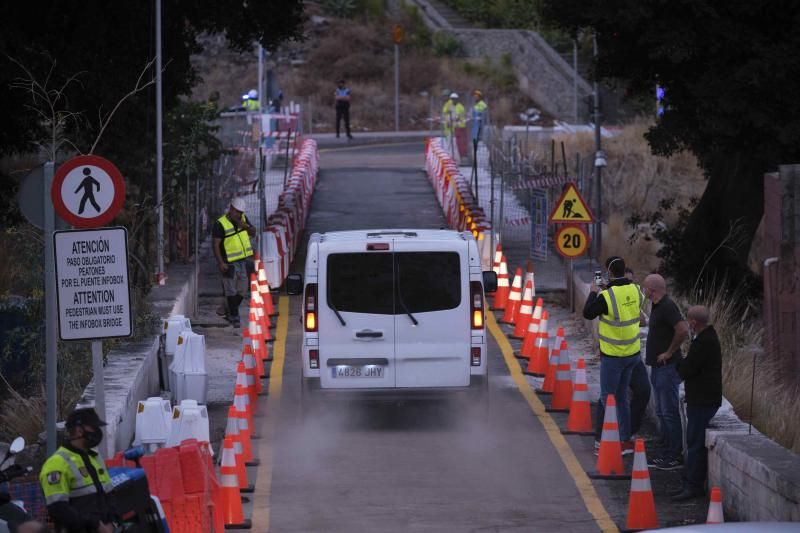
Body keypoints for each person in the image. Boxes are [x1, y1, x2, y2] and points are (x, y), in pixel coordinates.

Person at [583, 256, 643, 455]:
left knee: (606, 398)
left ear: (609, 273)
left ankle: (601, 441)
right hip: (632, 354)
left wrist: (594, 292)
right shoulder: (636, 290)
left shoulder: (606, 297)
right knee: (622, 397)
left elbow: (588, 313)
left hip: (613, 356)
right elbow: (627, 303)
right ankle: (625, 441)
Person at [593, 267, 651, 452]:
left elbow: (589, 311)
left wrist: (594, 293)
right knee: (617, 398)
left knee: (610, 397)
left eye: (631, 281)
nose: (628, 284)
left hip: (621, 356)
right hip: (628, 354)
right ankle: (614, 438)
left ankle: (613, 439)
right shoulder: (620, 294)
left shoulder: (614, 295)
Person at [671, 305, 722, 501]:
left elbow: (687, 370)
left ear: (694, 322)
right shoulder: (705, 338)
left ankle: (693, 486)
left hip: (702, 400)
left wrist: (678, 362)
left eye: (689, 319)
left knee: (694, 444)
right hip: (700, 398)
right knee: (693, 442)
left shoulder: (704, 342)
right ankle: (689, 482)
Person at [39, 408, 116, 533]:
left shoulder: (94, 457)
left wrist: (113, 522)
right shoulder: (57, 463)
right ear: (80, 430)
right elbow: (58, 508)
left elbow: (108, 494)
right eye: (94, 427)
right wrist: (95, 525)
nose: (98, 432)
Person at [643, 273, 690, 470]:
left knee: (669, 412)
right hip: (657, 367)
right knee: (662, 412)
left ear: (652, 289)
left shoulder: (668, 306)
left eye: (645, 287)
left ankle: (674, 455)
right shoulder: (657, 306)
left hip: (667, 368)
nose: (643, 290)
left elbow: (682, 329)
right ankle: (665, 450)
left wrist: (669, 352)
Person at [212, 197, 256, 328]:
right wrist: (220, 263)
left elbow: (253, 232)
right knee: (230, 290)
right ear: (231, 209)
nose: (239, 215)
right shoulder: (220, 224)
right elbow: (215, 245)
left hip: (242, 261)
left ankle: (225, 308)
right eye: (237, 212)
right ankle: (234, 317)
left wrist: (245, 226)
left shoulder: (243, 219)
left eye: (241, 212)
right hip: (228, 262)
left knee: (242, 289)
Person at [442, 92, 466, 158]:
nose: (453, 100)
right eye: (452, 99)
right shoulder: (449, 105)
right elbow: (445, 114)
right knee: (451, 144)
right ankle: (451, 157)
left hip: (459, 128)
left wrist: (455, 119)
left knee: (457, 145)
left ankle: (458, 157)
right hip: (450, 128)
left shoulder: (460, 106)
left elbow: (459, 117)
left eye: (454, 99)